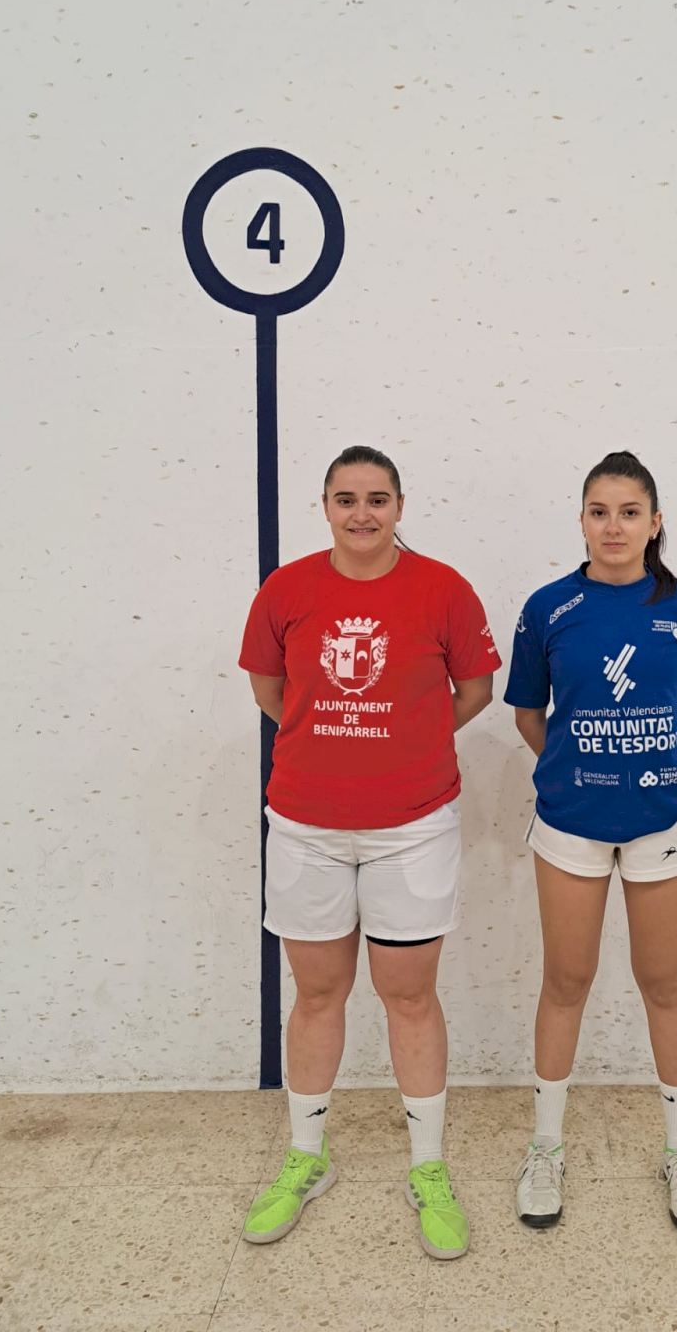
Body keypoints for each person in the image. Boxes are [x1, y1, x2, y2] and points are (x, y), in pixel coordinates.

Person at [237, 445, 500, 1259]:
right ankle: (306, 1158)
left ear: (399, 506)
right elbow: (271, 691)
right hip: (306, 826)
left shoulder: (444, 589)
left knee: (408, 995)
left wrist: (408, 742)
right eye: (346, 499)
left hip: (412, 827)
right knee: (318, 994)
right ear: (324, 506)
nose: (362, 513)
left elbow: (476, 690)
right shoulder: (285, 590)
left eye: (377, 499)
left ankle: (428, 1168)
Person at [505, 450, 677, 1233]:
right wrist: (583, 772)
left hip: (664, 822)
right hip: (572, 823)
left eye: (630, 512)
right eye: (599, 512)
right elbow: (529, 714)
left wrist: (644, 775)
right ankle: (545, 1149)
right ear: (582, 521)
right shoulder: (548, 608)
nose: (614, 526)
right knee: (567, 980)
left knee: (663, 983)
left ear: (655, 523)